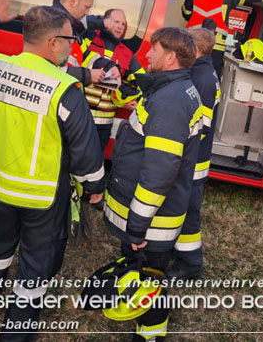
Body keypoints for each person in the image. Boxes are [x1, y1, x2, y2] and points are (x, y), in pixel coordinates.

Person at [0, 0, 105, 341]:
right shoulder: (63, 88)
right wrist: (94, 185)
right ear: (53, 42)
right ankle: (15, 334)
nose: (72, 48)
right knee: (36, 267)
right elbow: (85, 148)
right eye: (70, 40)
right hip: (39, 192)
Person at [103, 27, 202, 341]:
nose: (146, 55)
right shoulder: (172, 90)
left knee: (147, 280)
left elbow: (159, 174)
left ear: (170, 58)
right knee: (143, 275)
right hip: (151, 219)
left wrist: (137, 226)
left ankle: (151, 333)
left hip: (150, 224)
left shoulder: (170, 102)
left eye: (153, 50)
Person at [167, 27, 220, 281]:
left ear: (196, 49)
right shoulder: (200, 71)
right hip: (191, 158)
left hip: (193, 161)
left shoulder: (204, 80)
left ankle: (190, 265)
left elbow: (201, 126)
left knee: (188, 212)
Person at [84, 8, 145, 151]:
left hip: (104, 122)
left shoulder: (127, 53)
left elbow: (143, 82)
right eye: (116, 22)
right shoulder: (89, 39)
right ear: (105, 21)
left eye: (123, 24)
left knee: (94, 162)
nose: (120, 26)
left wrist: (129, 101)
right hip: (80, 114)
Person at [50, 0, 112, 86]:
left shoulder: (72, 28)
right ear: (72, 1)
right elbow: (49, 69)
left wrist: (110, 66)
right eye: (86, 7)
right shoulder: (49, 24)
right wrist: (87, 75)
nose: (87, 13)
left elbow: (86, 56)